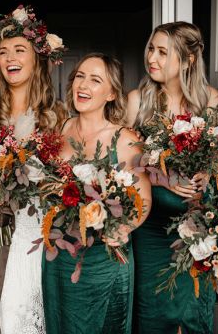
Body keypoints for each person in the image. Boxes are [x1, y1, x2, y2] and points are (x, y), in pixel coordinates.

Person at [0, 5, 67, 334]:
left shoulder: (56, 114)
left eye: (19, 50)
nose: (9, 59)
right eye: (3, 52)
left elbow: (61, 181)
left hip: (28, 226)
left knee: (18, 302)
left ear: (37, 58)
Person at [42, 53, 152, 334]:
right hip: (61, 254)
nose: (83, 85)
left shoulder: (126, 139)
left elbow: (144, 201)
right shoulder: (61, 129)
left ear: (111, 93)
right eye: (80, 76)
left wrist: (124, 227)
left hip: (104, 258)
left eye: (95, 80)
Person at [126, 21, 218, 333]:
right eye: (151, 49)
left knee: (193, 312)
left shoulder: (210, 100)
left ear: (188, 58)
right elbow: (127, 167)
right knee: (152, 313)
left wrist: (208, 174)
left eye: (162, 52)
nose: (152, 57)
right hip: (152, 229)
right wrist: (160, 179)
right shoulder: (137, 101)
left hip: (196, 226)